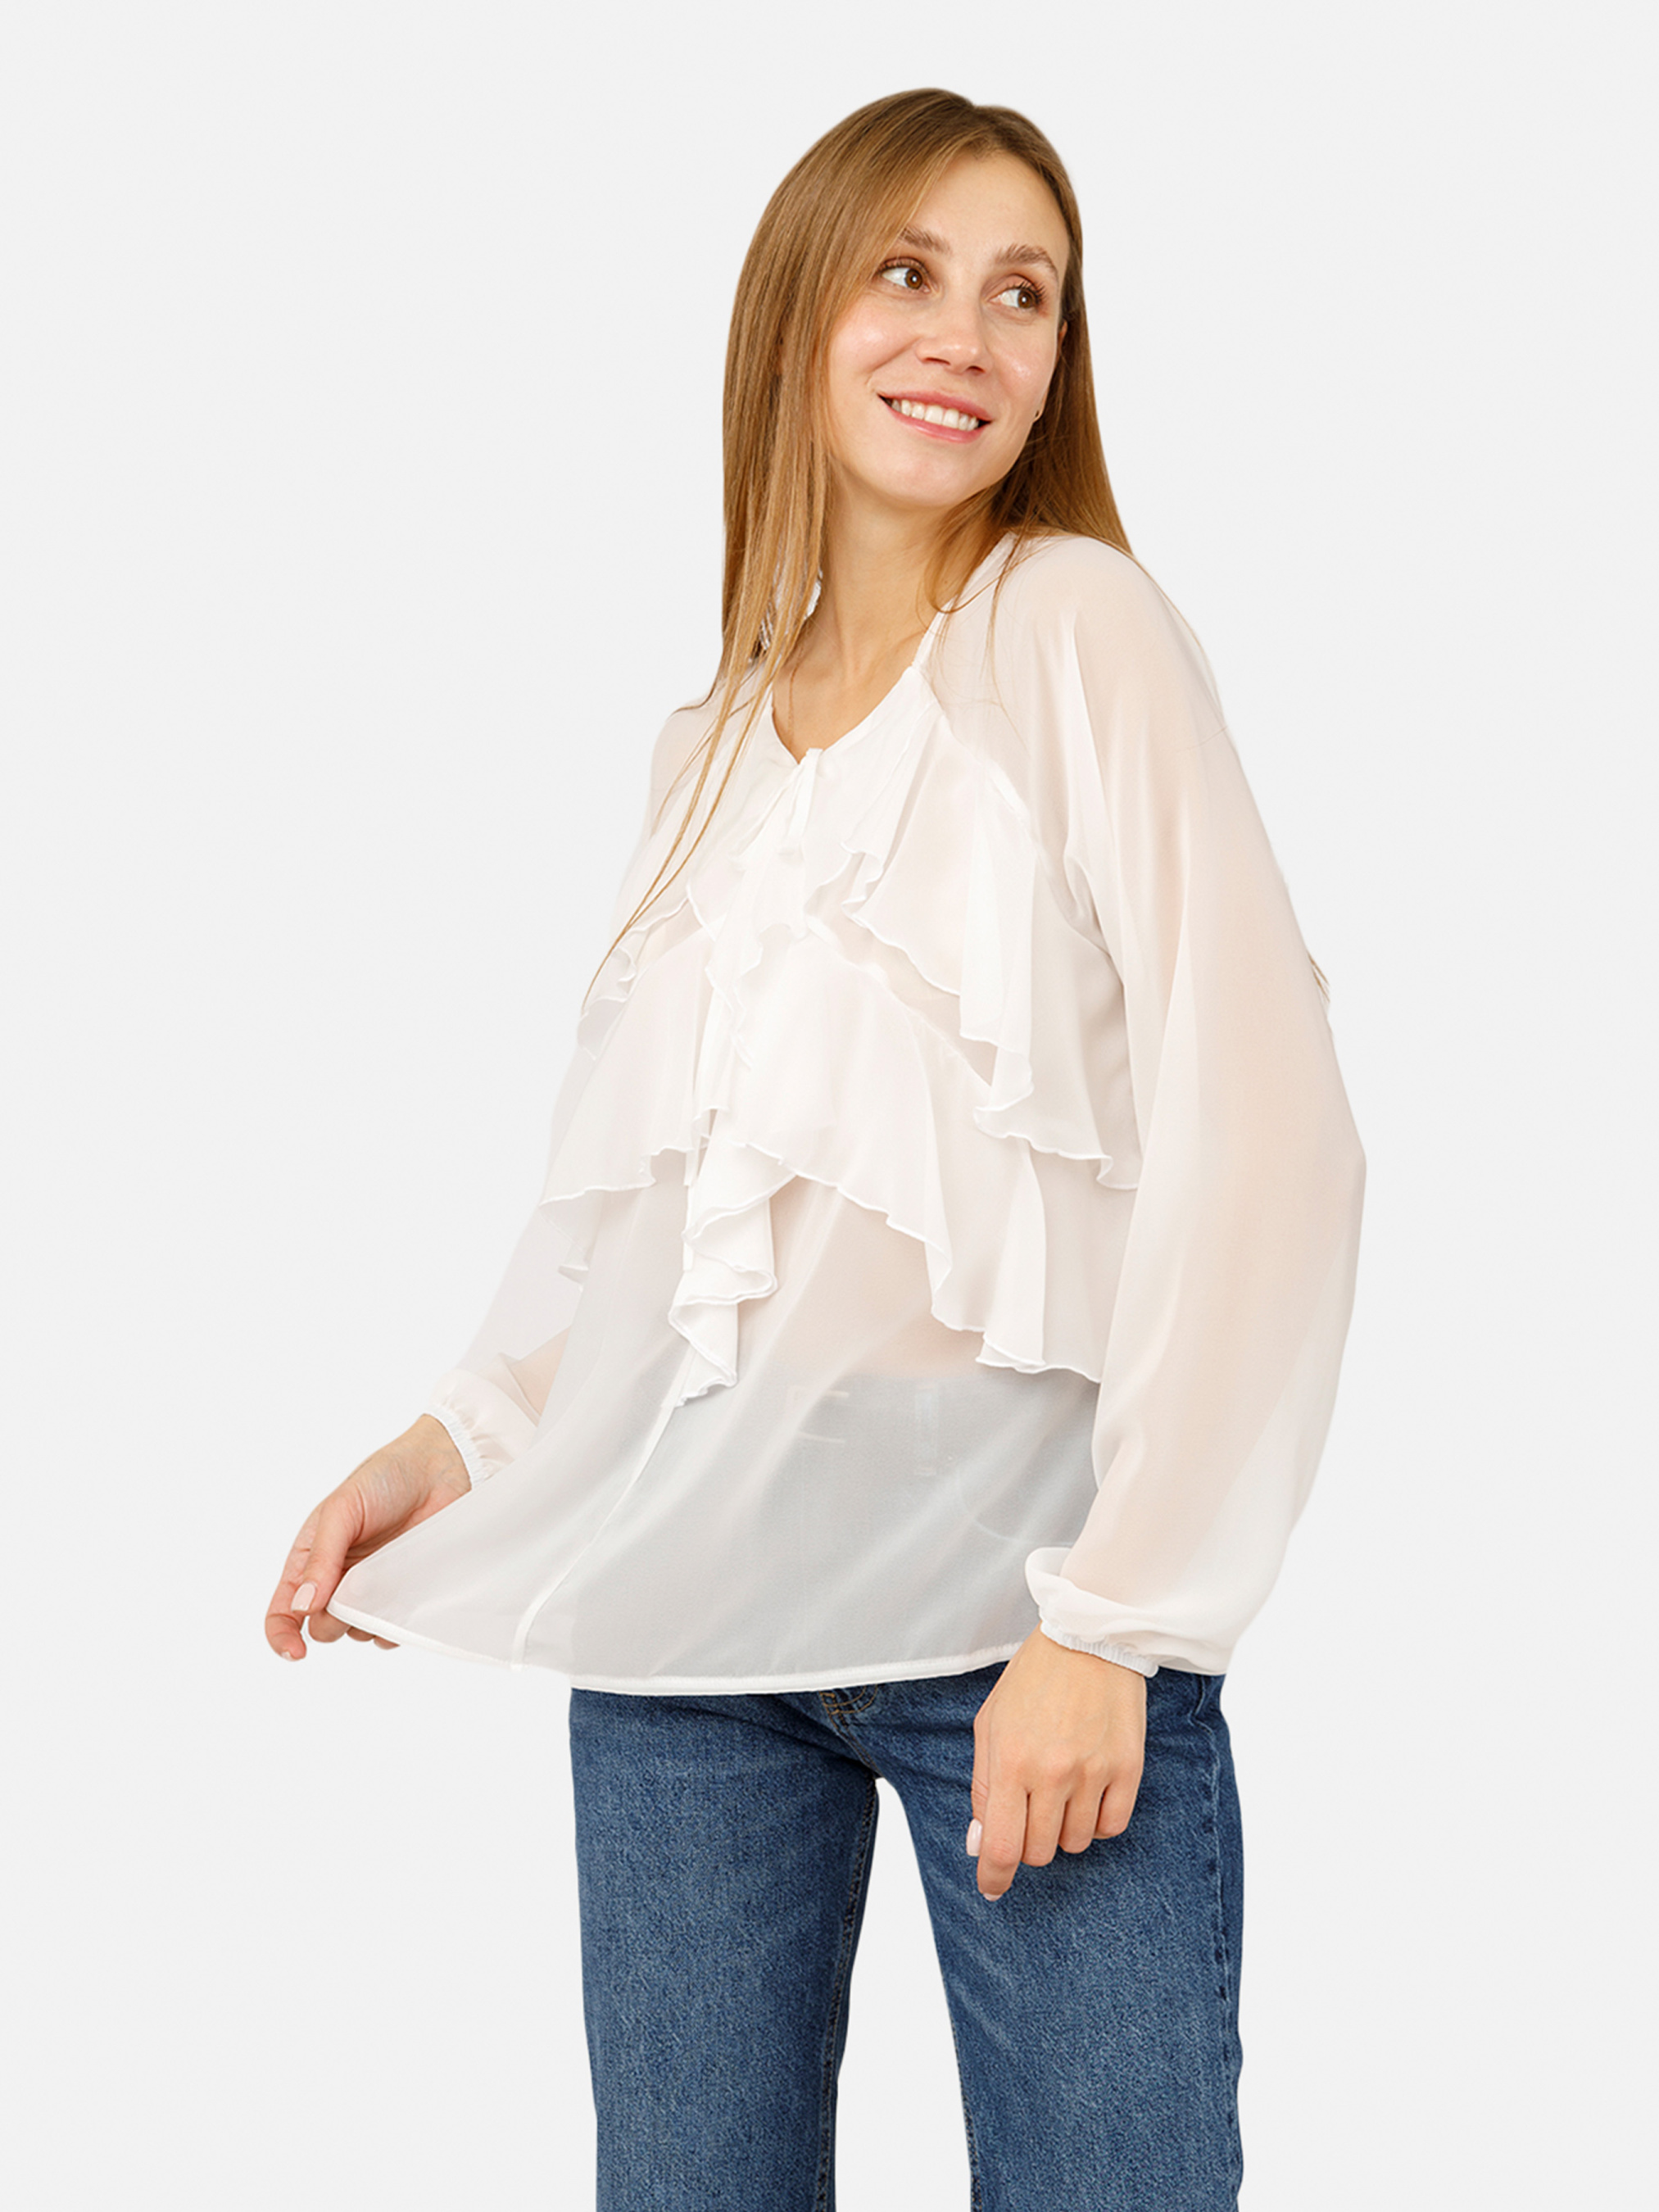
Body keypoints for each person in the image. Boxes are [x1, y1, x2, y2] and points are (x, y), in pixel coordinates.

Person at [265, 87, 1364, 2211]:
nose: (969, 333)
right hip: (688, 1638)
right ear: (795, 317)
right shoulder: (709, 742)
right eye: (909, 271)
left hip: (1021, 1628)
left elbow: (1270, 1129)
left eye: (1024, 293)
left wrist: (1117, 1620)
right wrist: (451, 1440)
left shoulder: (1073, 630)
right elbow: (654, 1225)